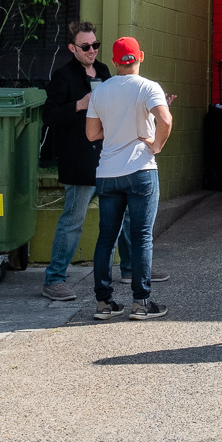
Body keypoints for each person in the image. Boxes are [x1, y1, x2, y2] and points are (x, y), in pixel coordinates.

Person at [86, 36, 173, 320]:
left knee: (105, 239)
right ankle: (140, 303)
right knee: (142, 237)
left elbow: (91, 134)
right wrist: (155, 144)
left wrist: (115, 128)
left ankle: (103, 303)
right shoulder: (149, 87)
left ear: (113, 61)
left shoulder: (101, 91)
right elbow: (166, 120)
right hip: (141, 170)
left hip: (108, 174)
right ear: (141, 57)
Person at [39, 20, 120, 301]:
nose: (92, 50)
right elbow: (49, 116)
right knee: (73, 220)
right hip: (79, 159)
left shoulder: (105, 71)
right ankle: (55, 279)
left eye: (95, 45)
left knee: (123, 215)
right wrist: (79, 104)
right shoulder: (63, 77)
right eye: (86, 46)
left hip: (107, 157)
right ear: (73, 48)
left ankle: (134, 269)